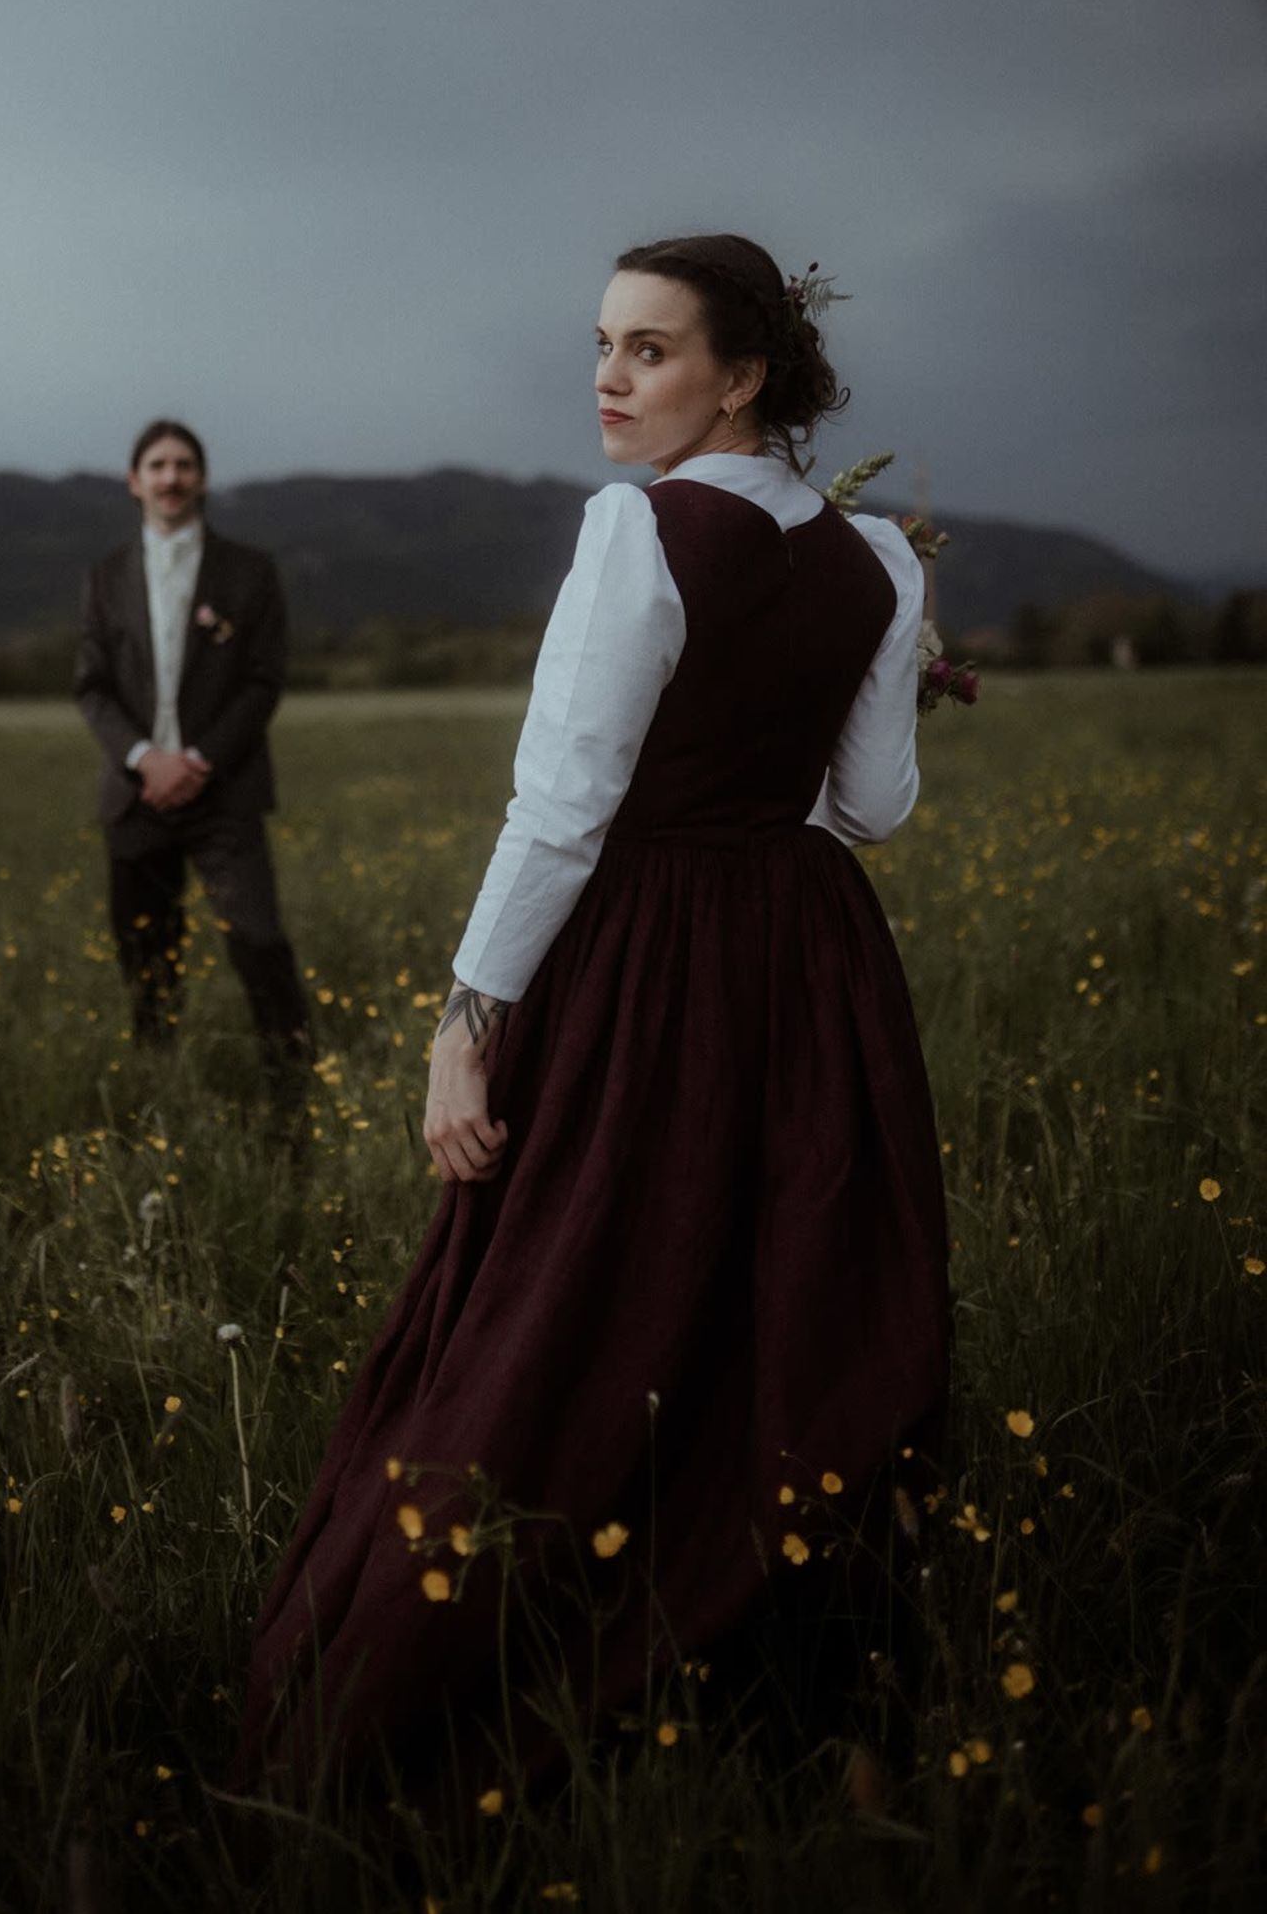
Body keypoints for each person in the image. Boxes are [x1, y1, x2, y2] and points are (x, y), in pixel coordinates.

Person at [236, 233, 950, 1799]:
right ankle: (779, 1670)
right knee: (778, 1286)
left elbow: (563, 809)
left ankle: (489, 1673)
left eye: (648, 350)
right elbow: (872, 808)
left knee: (579, 1292)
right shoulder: (881, 559)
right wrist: (902, 644)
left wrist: (465, 1020)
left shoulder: (635, 534)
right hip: (811, 959)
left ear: (741, 375)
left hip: (645, 952)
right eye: (605, 346)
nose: (609, 380)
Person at [73, 419, 309, 1064]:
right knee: (144, 950)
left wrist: (197, 762)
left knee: (259, 941)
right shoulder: (104, 577)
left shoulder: (250, 572)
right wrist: (147, 759)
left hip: (224, 790)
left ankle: (292, 1079)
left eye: (183, 464)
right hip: (135, 793)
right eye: (157, 465)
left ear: (201, 478)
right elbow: (91, 686)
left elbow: (264, 682)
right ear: (134, 481)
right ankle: (157, 1078)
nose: (171, 476)